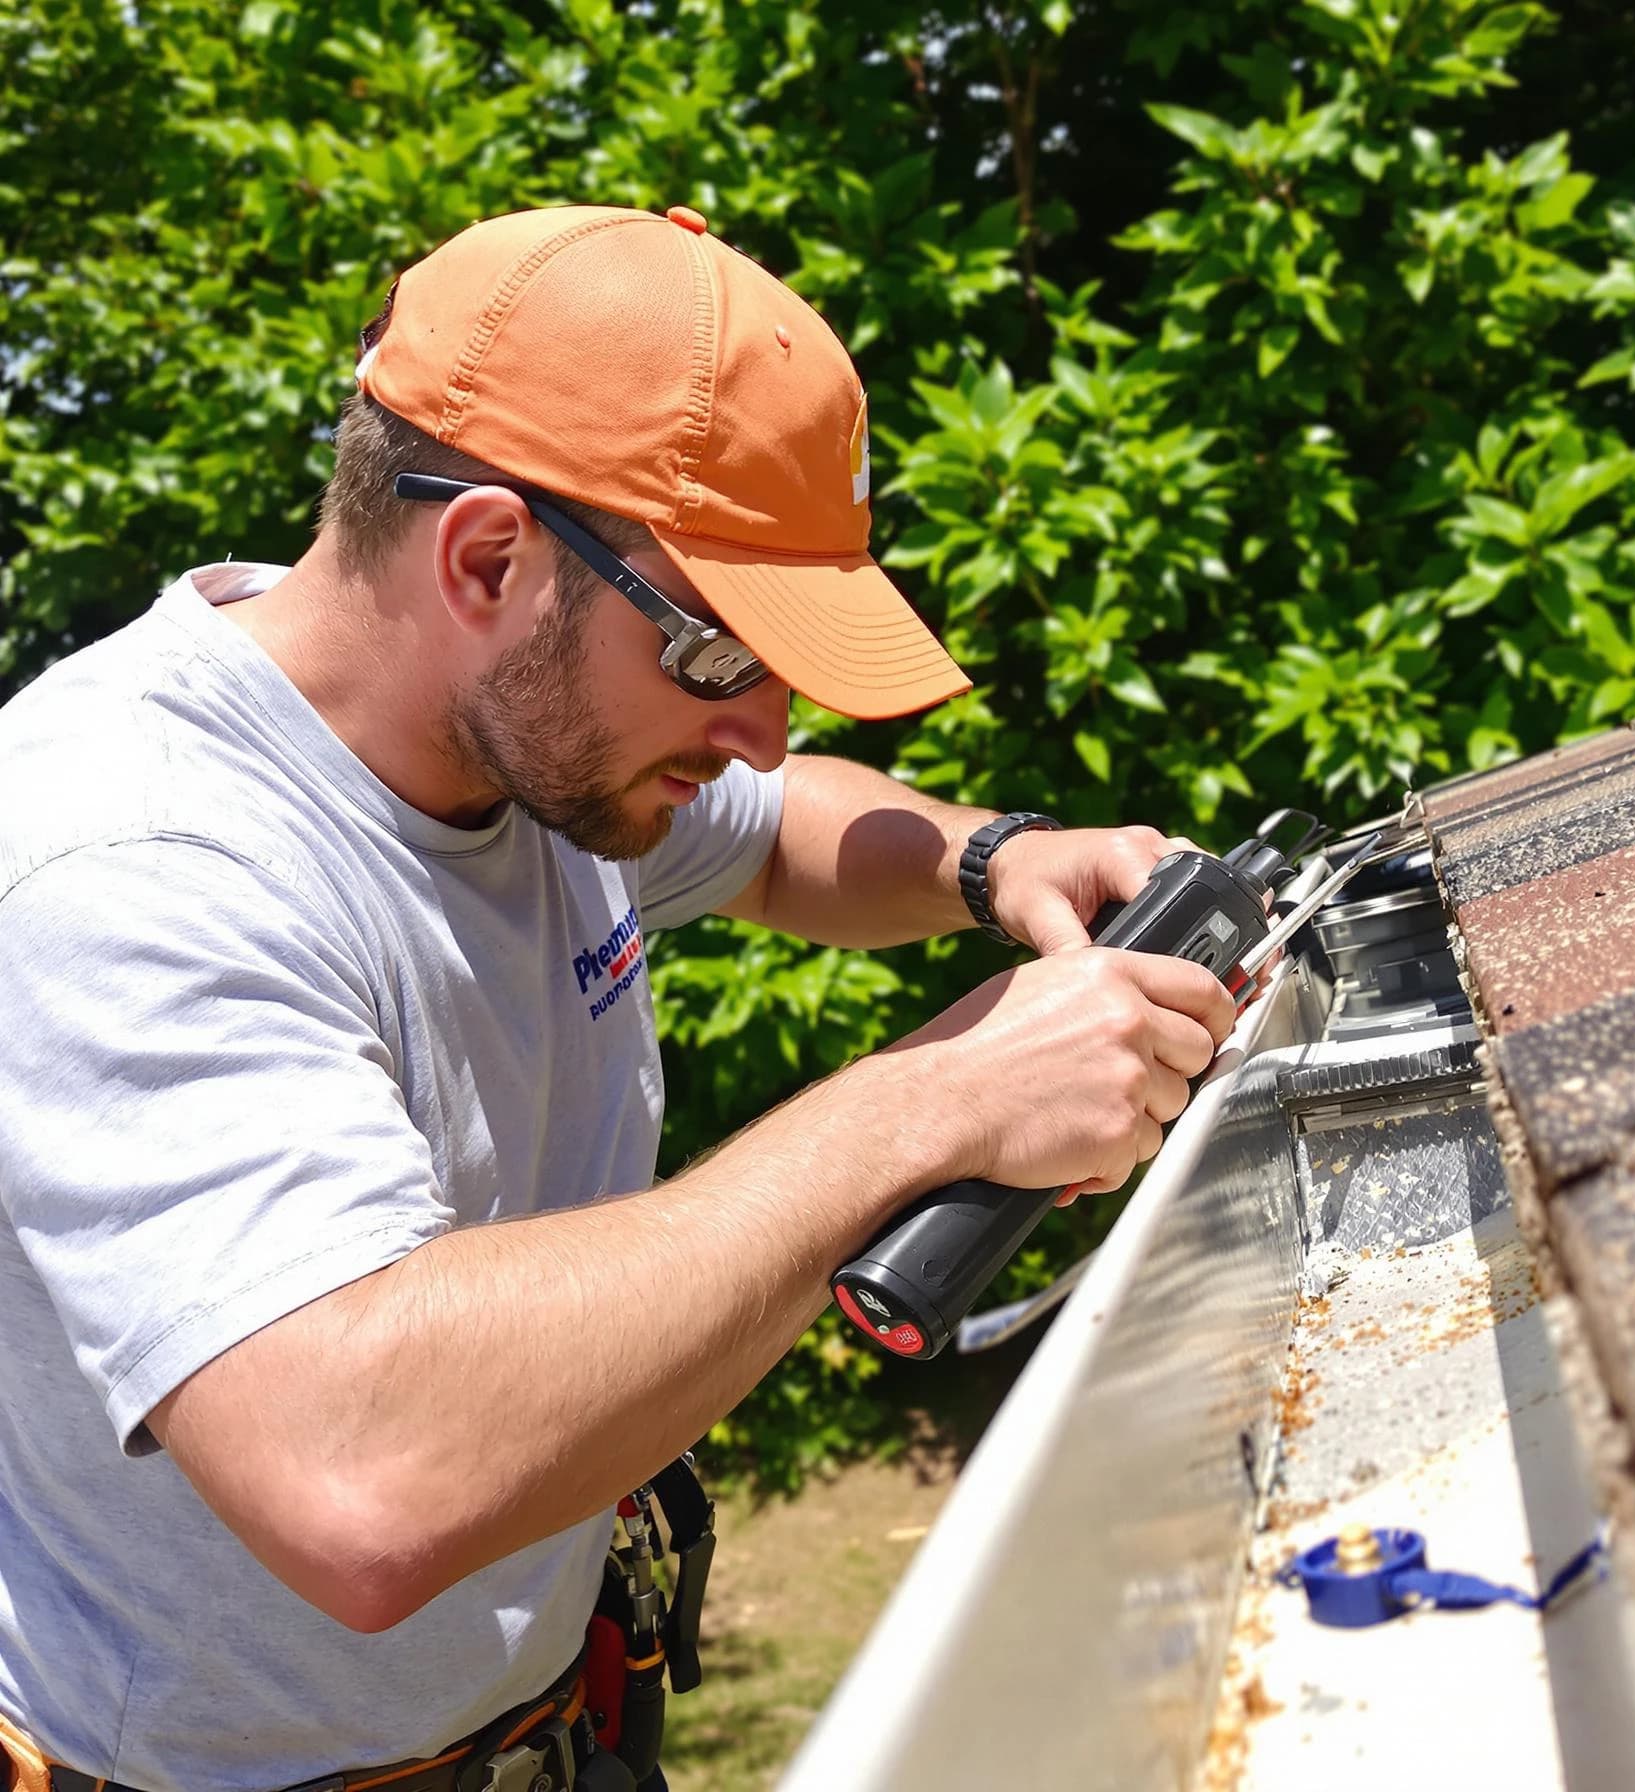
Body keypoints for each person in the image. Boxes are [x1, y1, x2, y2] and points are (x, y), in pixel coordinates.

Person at [0, 203, 1236, 1792]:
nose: (767, 729)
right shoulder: (129, 858)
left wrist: (993, 860)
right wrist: (931, 1103)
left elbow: (788, 831)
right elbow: (360, 1479)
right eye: (726, 660)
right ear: (492, 558)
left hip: (568, 1725)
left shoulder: (519, 746)